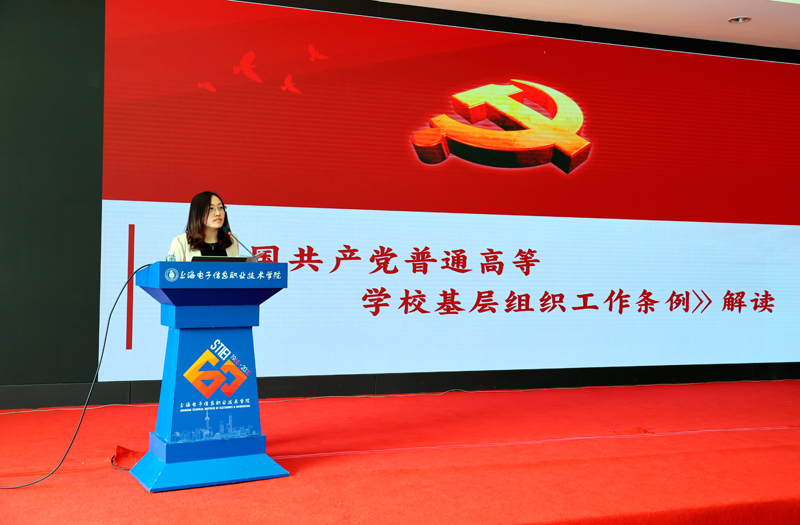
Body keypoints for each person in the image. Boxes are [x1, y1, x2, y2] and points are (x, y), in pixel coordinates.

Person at [170, 191, 239, 261]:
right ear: (198, 213)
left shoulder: (232, 240)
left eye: (221, 207)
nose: (218, 213)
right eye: (211, 208)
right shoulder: (181, 242)